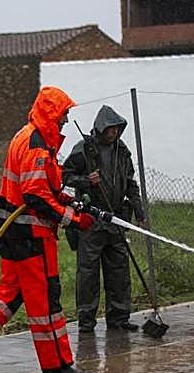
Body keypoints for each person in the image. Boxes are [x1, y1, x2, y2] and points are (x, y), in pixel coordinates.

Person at [0, 86, 99, 373]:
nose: (67, 119)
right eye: (64, 113)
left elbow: (44, 188)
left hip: (13, 233)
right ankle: (58, 368)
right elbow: (36, 196)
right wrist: (73, 220)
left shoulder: (26, 136)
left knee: (10, 292)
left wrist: (68, 200)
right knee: (46, 302)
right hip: (31, 234)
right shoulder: (36, 143)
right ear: (52, 113)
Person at [61, 104, 146, 333]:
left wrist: (139, 212)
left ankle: (118, 318)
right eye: (111, 129)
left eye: (117, 129)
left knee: (119, 270)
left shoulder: (122, 151)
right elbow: (65, 176)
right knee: (87, 273)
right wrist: (87, 181)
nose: (114, 133)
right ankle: (86, 322)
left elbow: (130, 183)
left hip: (116, 219)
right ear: (101, 128)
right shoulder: (83, 149)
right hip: (90, 220)